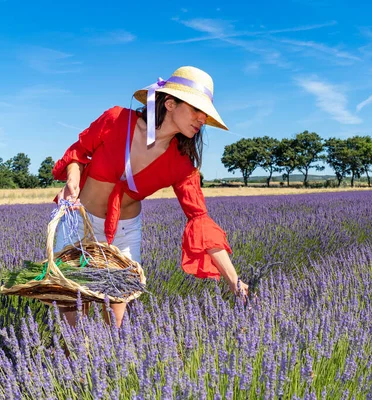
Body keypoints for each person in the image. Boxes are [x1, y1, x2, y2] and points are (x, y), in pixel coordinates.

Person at [51, 66, 249, 327]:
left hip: (123, 234)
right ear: (169, 103)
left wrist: (234, 281)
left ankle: (110, 366)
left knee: (116, 319)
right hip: (79, 221)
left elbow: (200, 220)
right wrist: (73, 179)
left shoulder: (182, 166)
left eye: (206, 115)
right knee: (72, 311)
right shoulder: (116, 119)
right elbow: (79, 151)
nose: (202, 120)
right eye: (196, 110)